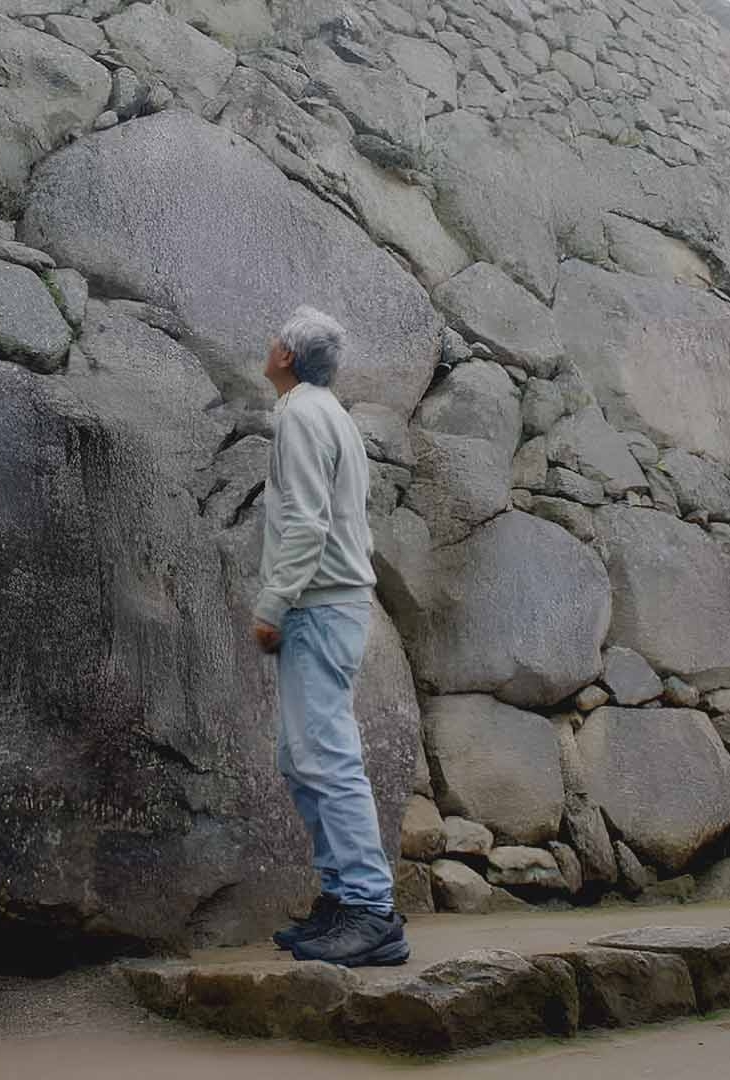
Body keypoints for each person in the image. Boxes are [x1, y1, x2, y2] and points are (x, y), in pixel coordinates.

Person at [251, 306, 408, 968]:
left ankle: (371, 910)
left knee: (328, 756)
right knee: (302, 757)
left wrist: (272, 605)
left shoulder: (300, 416)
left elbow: (307, 524)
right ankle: (345, 899)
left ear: (285, 355)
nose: (267, 344)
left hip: (319, 604)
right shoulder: (326, 412)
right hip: (328, 603)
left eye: (273, 336)